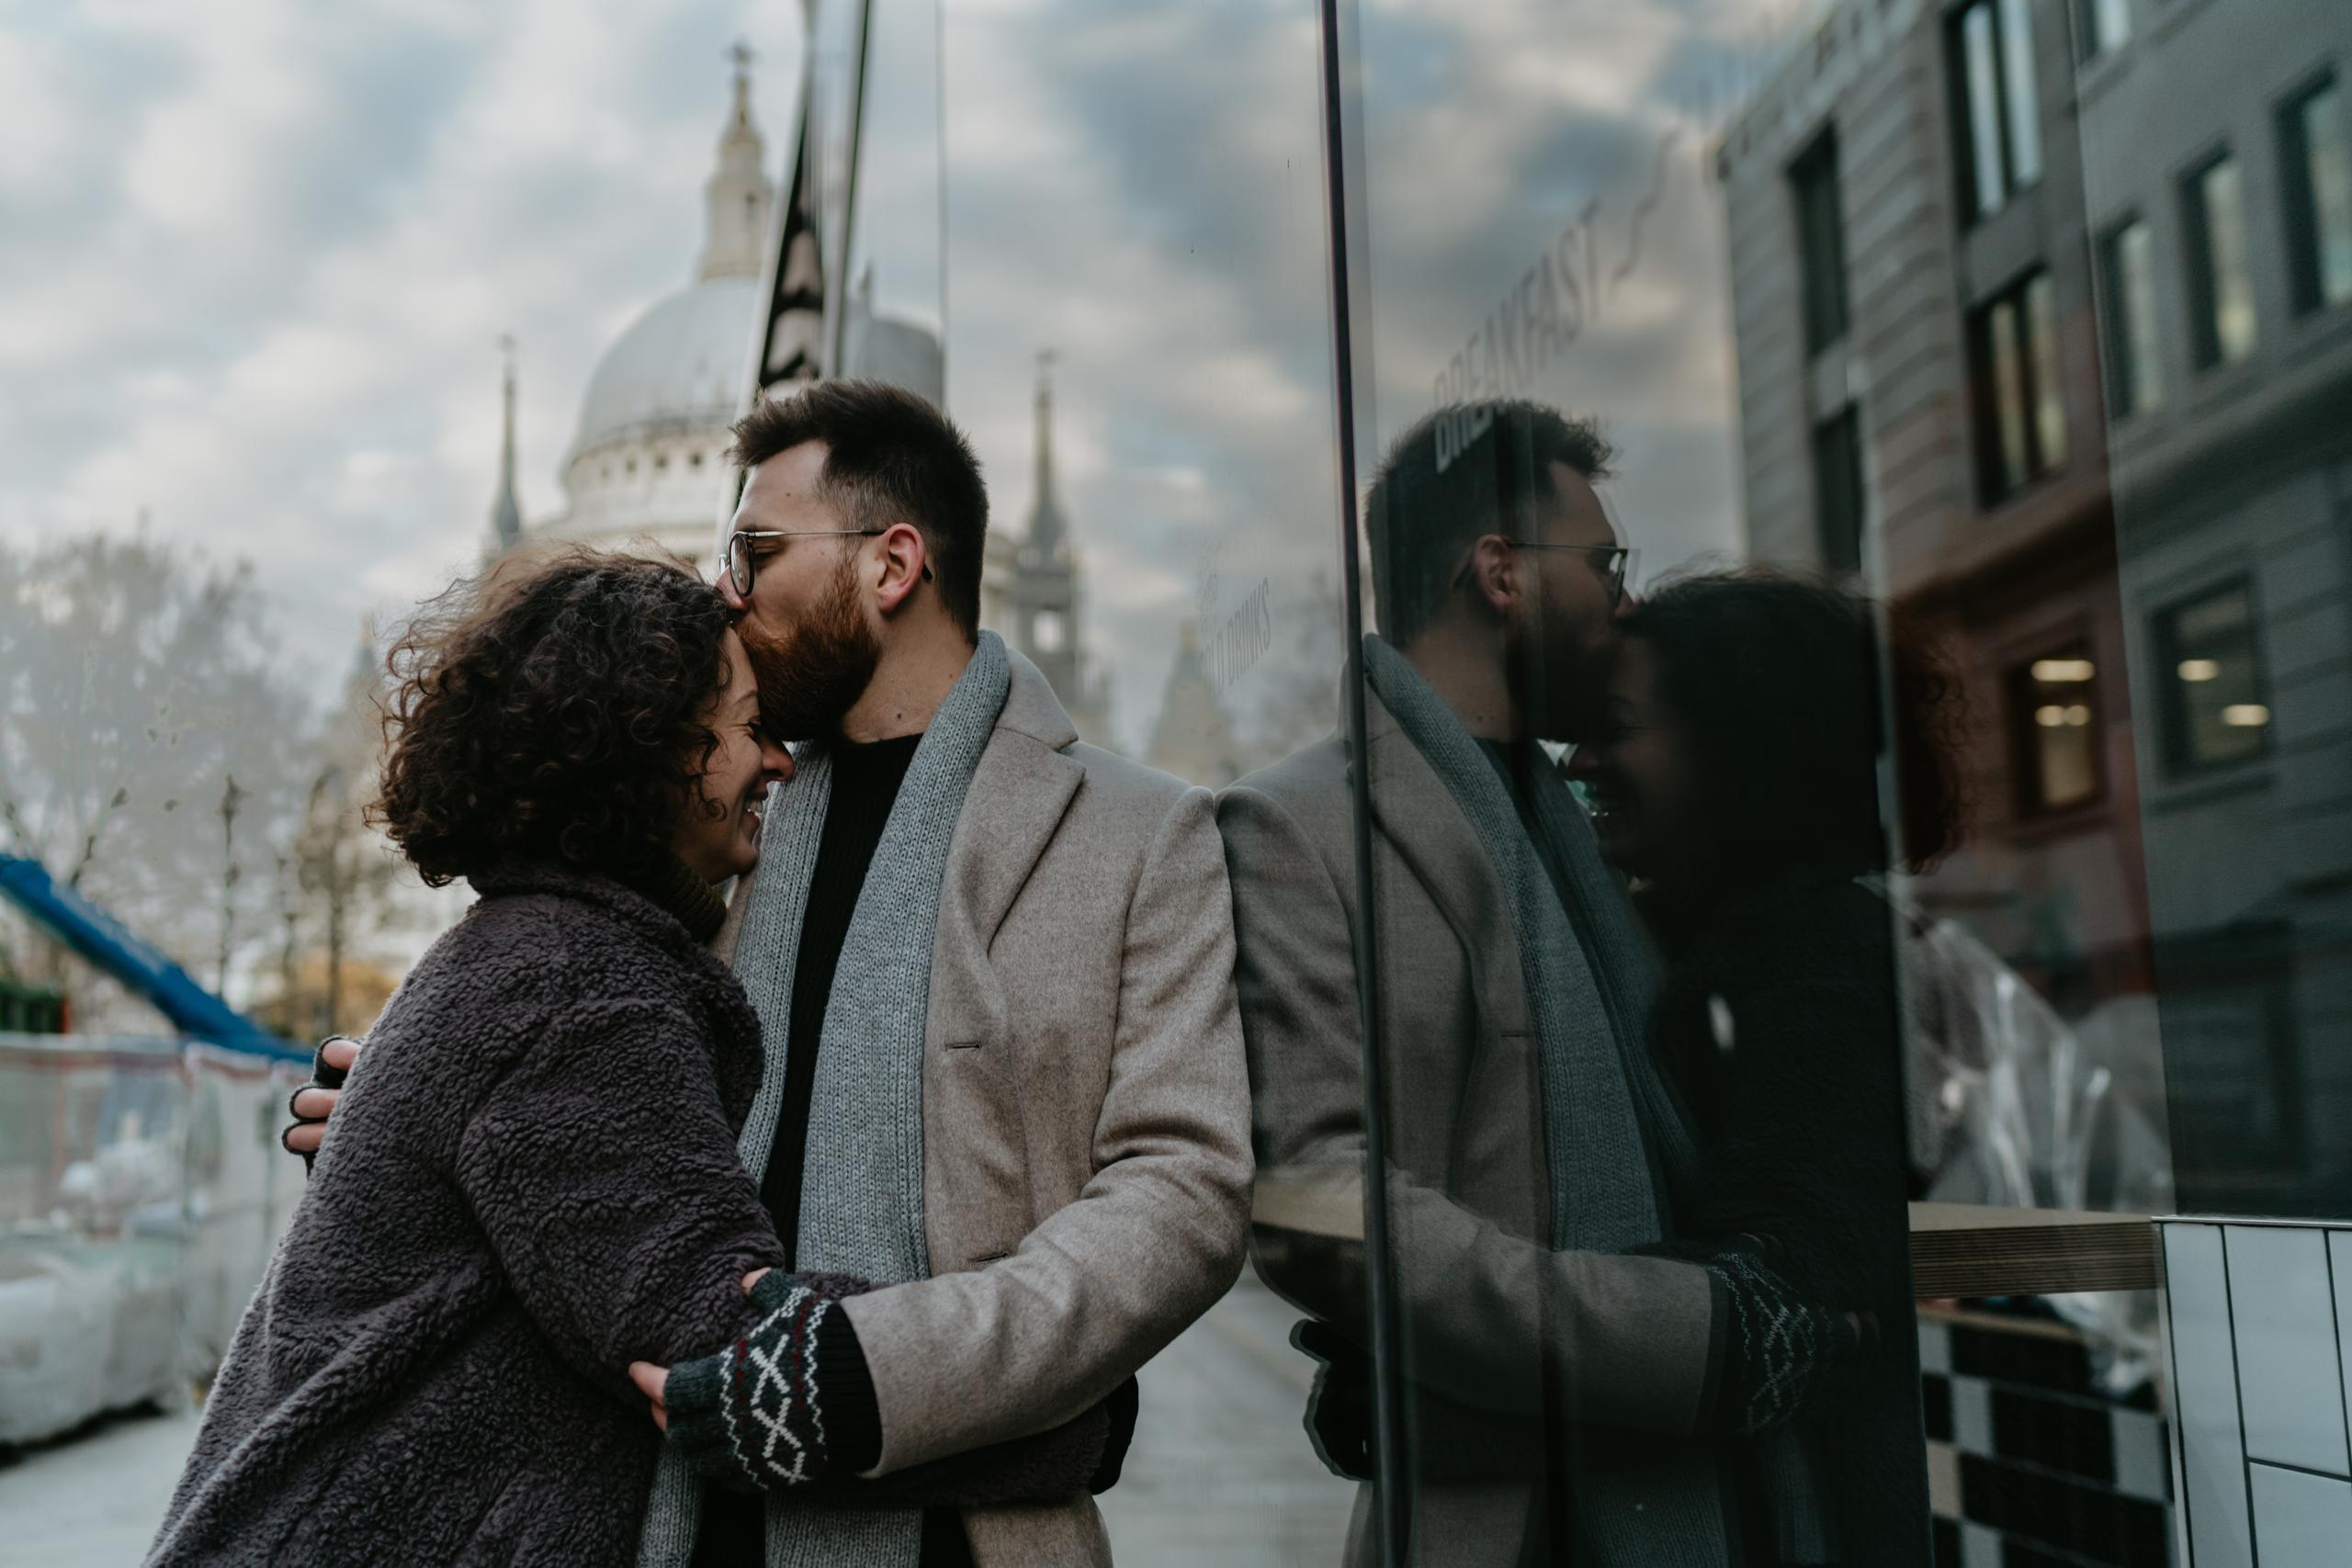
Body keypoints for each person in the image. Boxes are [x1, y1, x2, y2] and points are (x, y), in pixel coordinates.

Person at [285, 380, 1256, 1568]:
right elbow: (575, 1073)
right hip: (649, 1514)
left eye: (756, 548)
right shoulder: (696, 810)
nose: (727, 589)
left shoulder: (1142, 832)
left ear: (891, 564)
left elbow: (1183, 1185)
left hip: (971, 1539)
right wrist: (432, 1115)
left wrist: (896, 1380)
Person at [1221, 401, 1865, 1567]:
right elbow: (1318, 1197)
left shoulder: (1611, 837)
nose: (1622, 599)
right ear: (1502, 573)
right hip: (1499, 1530)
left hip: (1726, 1499)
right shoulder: (1296, 825)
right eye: (1603, 562)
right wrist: (1687, 1340)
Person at [148, 552, 802, 1564]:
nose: (781, 763)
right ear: (657, 742)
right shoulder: (577, 984)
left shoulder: (531, 950)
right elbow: (720, 1338)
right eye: (754, 726)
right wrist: (1048, 1412)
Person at [1565, 568, 1949, 1565]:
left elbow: (1794, 1288)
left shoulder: (1817, 963)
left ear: (1738, 748)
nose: (1582, 757)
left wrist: (1448, 1364)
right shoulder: (1720, 946)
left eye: (1616, 723)